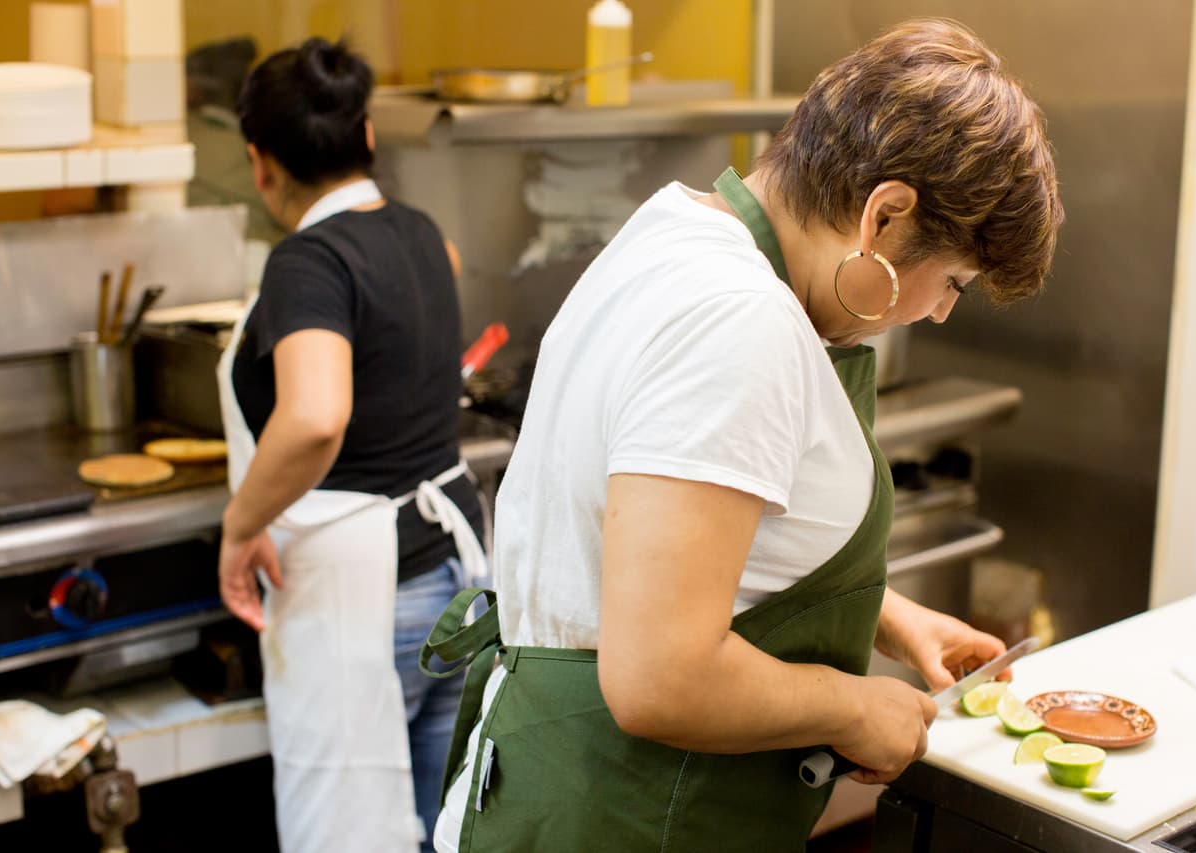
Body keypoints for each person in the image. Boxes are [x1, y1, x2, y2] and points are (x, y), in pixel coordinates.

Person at [425, 17, 1063, 853]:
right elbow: (660, 676)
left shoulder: (677, 231)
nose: (939, 310)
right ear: (885, 217)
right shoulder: (739, 323)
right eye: (952, 281)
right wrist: (854, 705)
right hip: (621, 819)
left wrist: (894, 619)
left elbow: (687, 550)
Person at [215, 38, 485, 853]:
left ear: (260, 163)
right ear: (367, 136)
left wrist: (239, 526)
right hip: (456, 577)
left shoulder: (307, 262)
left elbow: (315, 416)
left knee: (349, 833)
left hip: (366, 600)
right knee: (451, 829)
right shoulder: (425, 233)